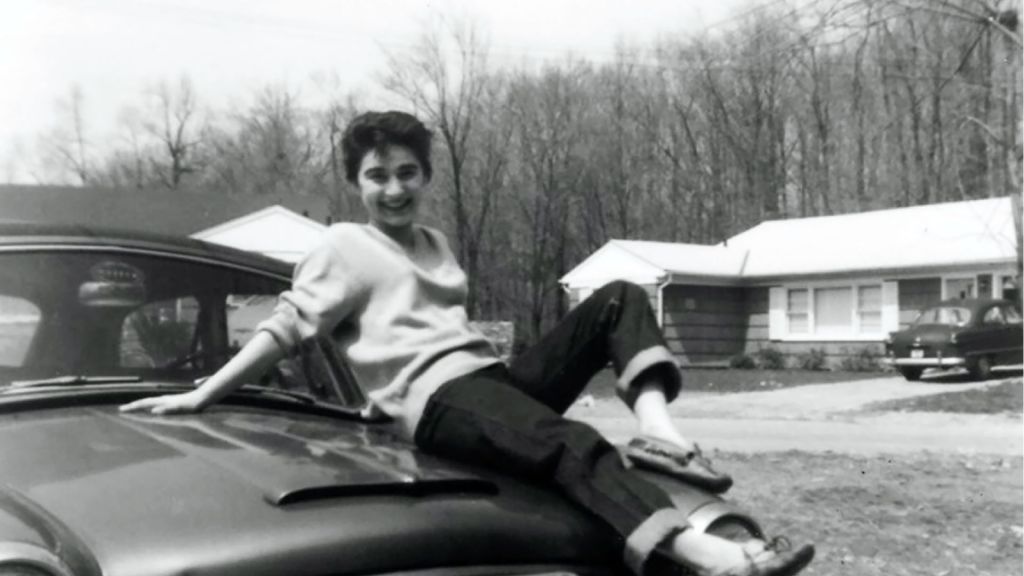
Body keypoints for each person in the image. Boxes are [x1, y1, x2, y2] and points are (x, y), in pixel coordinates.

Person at [121, 110, 814, 576]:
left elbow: (446, 331)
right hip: (437, 402)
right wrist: (202, 393)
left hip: (487, 381)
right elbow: (286, 329)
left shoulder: (436, 242)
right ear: (356, 183)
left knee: (621, 298)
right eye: (376, 176)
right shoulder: (342, 245)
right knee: (569, 444)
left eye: (406, 173)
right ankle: (700, 556)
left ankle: (659, 431)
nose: (393, 189)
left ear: (425, 174)